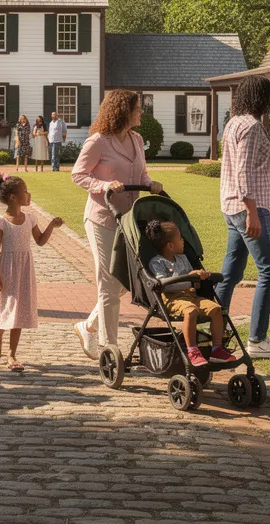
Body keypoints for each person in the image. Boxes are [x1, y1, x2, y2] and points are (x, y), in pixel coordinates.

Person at [70, 89, 163, 358]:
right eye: (138, 108)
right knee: (109, 282)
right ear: (124, 111)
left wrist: (150, 184)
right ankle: (108, 346)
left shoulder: (136, 139)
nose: (141, 112)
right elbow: (78, 174)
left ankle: (88, 326)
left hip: (131, 219)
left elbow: (141, 172)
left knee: (130, 280)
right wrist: (103, 185)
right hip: (102, 219)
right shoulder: (99, 141)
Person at [215, 75, 270, 358]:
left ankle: (213, 331)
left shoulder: (233, 123)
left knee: (230, 274)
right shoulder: (254, 127)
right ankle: (257, 339)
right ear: (262, 98)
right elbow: (243, 171)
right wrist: (252, 211)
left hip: (230, 208)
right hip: (249, 209)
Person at [0, 173, 63, 372]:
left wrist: (51, 225)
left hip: (24, 269)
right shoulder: (0, 221)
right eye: (25, 192)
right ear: (12, 197)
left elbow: (41, 241)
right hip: (6, 267)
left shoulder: (30, 218)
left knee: (17, 310)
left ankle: (12, 354)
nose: (29, 194)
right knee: (3, 306)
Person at [144, 220, 236, 367]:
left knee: (216, 309)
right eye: (180, 239)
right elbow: (165, 286)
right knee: (191, 311)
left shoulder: (183, 258)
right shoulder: (157, 263)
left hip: (191, 295)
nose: (184, 242)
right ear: (170, 246)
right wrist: (190, 279)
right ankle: (193, 350)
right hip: (172, 299)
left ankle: (217, 349)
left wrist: (199, 276)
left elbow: (193, 280)